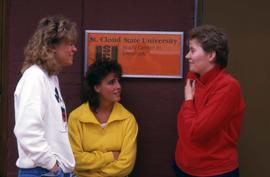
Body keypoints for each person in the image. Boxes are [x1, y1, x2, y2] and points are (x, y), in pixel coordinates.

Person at [174, 25, 245, 177]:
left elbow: (197, 133)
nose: (187, 56)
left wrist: (188, 100)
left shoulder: (228, 86)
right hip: (183, 166)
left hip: (214, 171)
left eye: (192, 50)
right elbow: (185, 127)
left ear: (211, 55)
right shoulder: (193, 77)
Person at [14, 15, 78, 177]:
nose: (74, 49)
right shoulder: (34, 77)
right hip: (41, 172)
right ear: (51, 46)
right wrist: (53, 166)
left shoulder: (50, 78)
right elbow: (27, 131)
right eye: (69, 44)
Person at [68, 59, 138, 177]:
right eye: (111, 82)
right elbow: (75, 160)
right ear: (97, 87)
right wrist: (111, 156)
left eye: (118, 81)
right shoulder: (76, 118)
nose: (118, 86)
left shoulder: (127, 119)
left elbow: (126, 165)